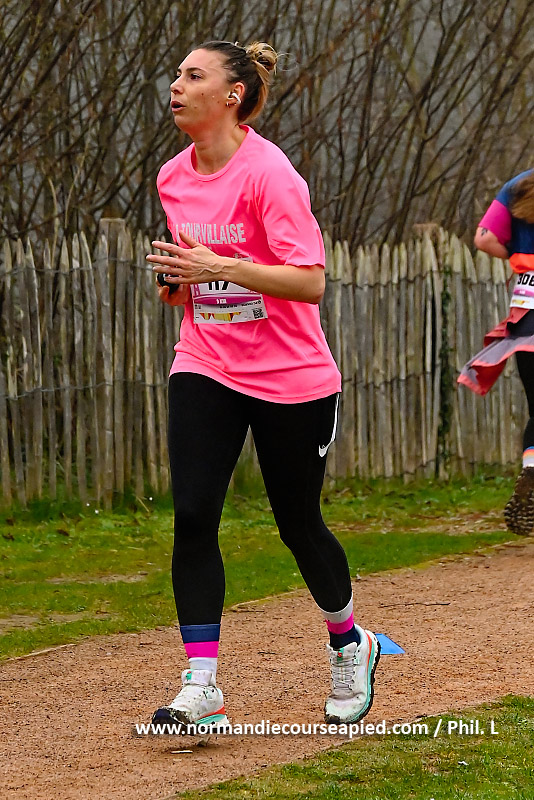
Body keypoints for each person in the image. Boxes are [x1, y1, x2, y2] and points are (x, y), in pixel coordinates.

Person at [145, 40, 380, 731]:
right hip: (207, 361)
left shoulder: (270, 174)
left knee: (297, 525)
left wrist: (222, 266)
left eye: (193, 75)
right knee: (194, 515)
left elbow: (309, 281)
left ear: (233, 96)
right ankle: (202, 686)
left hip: (290, 377)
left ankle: (350, 644)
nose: (176, 85)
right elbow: (194, 277)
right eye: (177, 74)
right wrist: (180, 283)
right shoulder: (172, 177)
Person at [459, 169, 534, 535]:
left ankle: (532, 468)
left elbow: (484, 238)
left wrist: (518, 254)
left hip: (526, 319)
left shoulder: (519, 185)